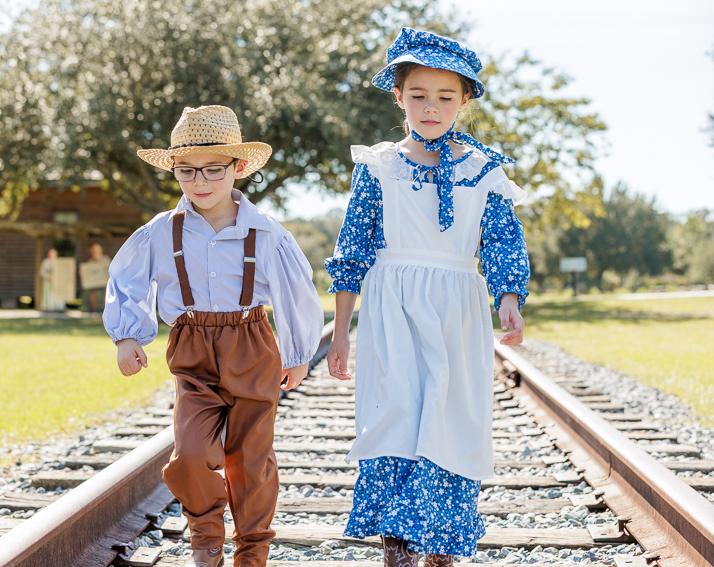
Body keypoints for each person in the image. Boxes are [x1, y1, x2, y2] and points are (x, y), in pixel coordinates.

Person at [324, 28, 530, 567]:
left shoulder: (485, 171)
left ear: (465, 100)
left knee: (450, 415)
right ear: (399, 96)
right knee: (394, 414)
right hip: (391, 306)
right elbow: (354, 250)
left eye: (445, 96)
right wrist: (341, 332)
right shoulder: (378, 166)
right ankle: (397, 546)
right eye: (418, 95)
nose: (431, 107)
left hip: (458, 306)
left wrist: (509, 296)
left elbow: (503, 239)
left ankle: (439, 547)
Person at [103, 105, 324, 567]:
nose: (199, 181)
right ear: (176, 172)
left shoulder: (265, 233)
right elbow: (126, 279)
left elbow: (295, 289)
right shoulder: (161, 231)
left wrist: (299, 350)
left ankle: (251, 550)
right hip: (192, 346)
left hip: (251, 342)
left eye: (212, 169)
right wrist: (128, 336)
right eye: (186, 171)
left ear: (238, 168)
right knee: (190, 454)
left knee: (251, 458)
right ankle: (206, 538)